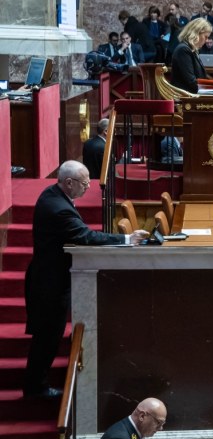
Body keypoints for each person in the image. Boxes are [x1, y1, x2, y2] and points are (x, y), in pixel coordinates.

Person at [23, 161, 146, 398]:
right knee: (47, 337)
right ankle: (35, 388)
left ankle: (35, 384)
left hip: (47, 276)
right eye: (85, 182)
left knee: (47, 335)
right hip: (49, 283)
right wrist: (126, 240)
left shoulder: (53, 195)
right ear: (68, 183)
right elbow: (84, 236)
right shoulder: (59, 208)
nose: (88, 187)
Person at [169, 18, 212, 94]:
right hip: (185, 99)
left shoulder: (191, 49)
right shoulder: (183, 50)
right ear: (197, 33)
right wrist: (212, 91)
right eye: (206, 37)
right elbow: (191, 81)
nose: (207, 40)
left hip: (191, 96)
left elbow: (201, 77)